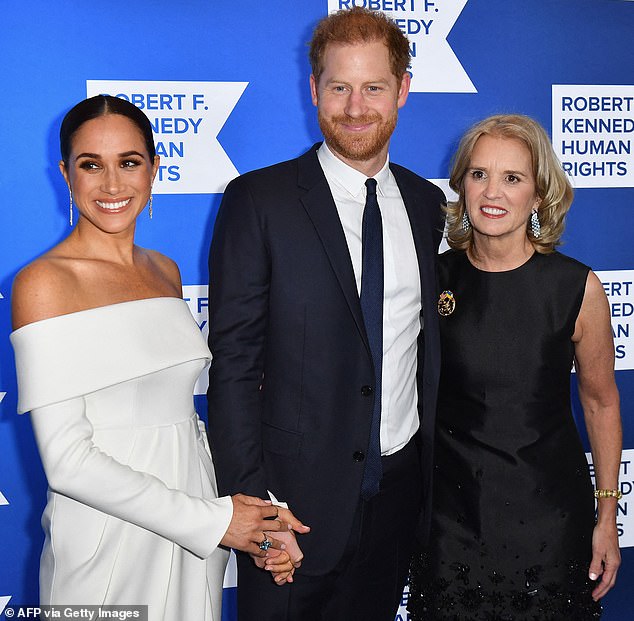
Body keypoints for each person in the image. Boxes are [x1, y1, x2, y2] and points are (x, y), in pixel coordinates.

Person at [10, 95, 307, 620]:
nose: (111, 184)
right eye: (90, 165)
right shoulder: (44, 283)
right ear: (65, 174)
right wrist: (216, 523)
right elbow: (67, 463)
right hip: (106, 538)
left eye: (129, 162)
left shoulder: (164, 271)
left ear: (154, 169)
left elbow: (185, 425)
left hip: (194, 526)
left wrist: (257, 530)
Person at [207, 7, 445, 621]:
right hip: (291, 511)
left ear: (403, 91)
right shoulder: (258, 201)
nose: (356, 106)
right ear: (314, 90)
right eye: (339, 86)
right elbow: (233, 366)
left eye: (374, 87)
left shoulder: (426, 205)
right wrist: (257, 513)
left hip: (398, 503)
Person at [407, 114, 622, 620]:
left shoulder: (575, 288)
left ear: (539, 194)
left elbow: (601, 401)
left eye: (512, 178)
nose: (492, 192)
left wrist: (608, 515)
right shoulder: (429, 278)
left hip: (549, 521)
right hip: (450, 523)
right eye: (479, 174)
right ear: (460, 185)